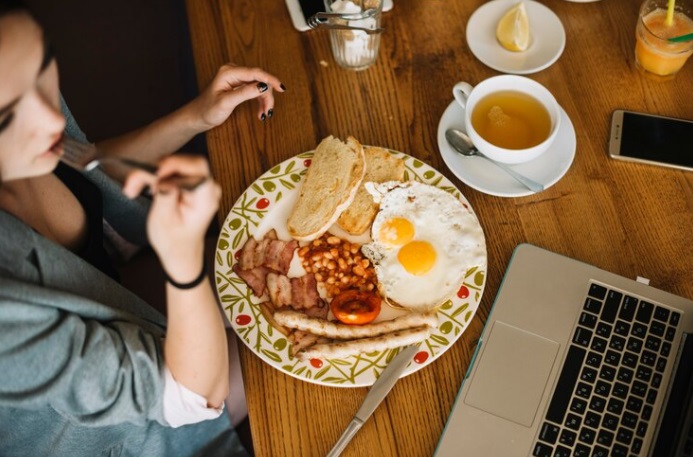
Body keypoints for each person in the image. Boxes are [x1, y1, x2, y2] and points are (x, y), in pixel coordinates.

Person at [0, 1, 284, 455]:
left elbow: (84, 160)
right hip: (140, 425)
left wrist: (195, 116)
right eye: (6, 118)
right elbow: (195, 395)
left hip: (142, 302)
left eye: (43, 67)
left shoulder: (18, 94)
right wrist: (183, 265)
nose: (50, 118)